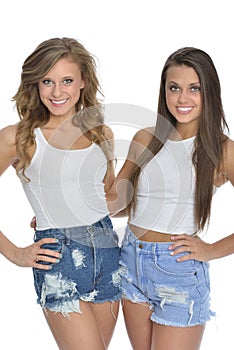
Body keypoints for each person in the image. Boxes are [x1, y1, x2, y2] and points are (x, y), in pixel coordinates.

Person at [0, 37, 121, 350]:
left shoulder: (101, 132)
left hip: (108, 253)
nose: (57, 92)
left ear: (82, 82)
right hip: (59, 259)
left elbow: (109, 201)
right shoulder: (19, 137)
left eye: (67, 80)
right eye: (47, 81)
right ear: (35, 84)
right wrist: (13, 253)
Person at [109, 47, 234, 350]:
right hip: (130, 261)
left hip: (176, 268)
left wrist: (211, 250)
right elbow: (117, 205)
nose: (182, 99)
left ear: (210, 92)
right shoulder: (144, 139)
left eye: (195, 89)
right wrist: (64, 216)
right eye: (174, 88)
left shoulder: (222, 150)